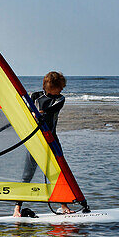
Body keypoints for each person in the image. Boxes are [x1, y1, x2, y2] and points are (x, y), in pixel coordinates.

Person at [14, 71, 74, 218]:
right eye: (59, 87)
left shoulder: (60, 99)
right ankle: (17, 209)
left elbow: (50, 110)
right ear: (50, 86)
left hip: (52, 139)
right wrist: (31, 112)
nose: (62, 89)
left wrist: (39, 113)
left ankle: (63, 205)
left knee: (58, 171)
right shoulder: (35, 96)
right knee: (27, 175)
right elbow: (24, 109)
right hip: (35, 140)